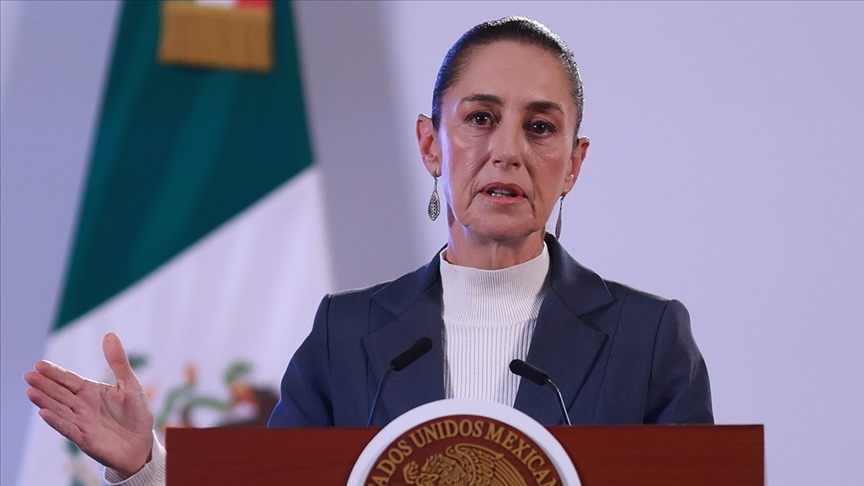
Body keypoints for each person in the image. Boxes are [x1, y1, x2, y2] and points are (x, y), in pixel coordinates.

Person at [24, 17, 712, 485]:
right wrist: (145, 466)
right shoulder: (347, 337)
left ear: (574, 163)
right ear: (431, 145)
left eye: (540, 127)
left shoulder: (647, 338)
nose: (507, 150)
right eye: (480, 118)